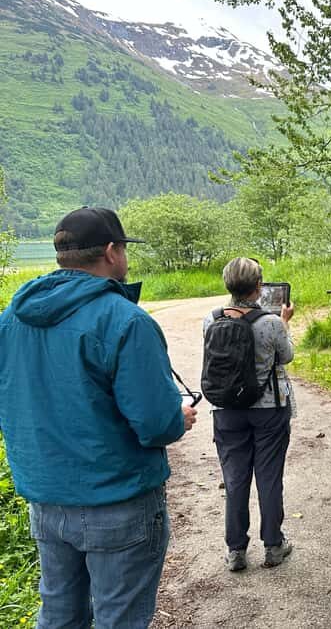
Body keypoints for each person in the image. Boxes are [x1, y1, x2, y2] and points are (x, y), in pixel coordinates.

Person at [0, 207, 197, 628]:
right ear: (111, 252)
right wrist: (179, 417)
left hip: (45, 500)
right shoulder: (125, 320)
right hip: (117, 501)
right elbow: (157, 424)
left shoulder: (11, 320)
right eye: (123, 249)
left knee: (58, 615)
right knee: (119, 619)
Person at [203, 257, 296, 571]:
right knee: (269, 478)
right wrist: (285, 322)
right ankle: (273, 545)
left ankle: (236, 551)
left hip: (227, 409)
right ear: (259, 287)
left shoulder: (211, 319)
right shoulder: (269, 322)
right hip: (268, 408)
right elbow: (287, 356)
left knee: (235, 480)